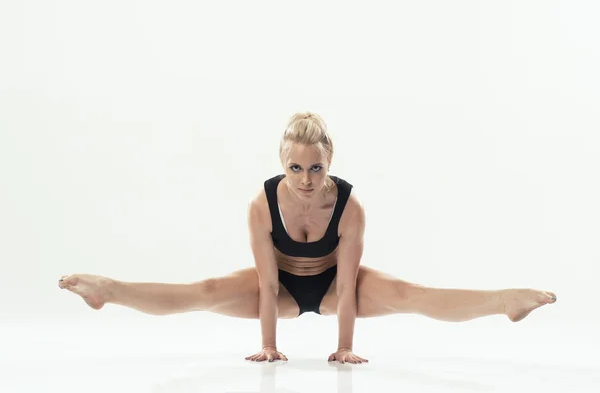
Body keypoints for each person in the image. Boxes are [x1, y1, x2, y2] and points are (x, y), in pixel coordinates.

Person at [58, 112, 557, 365]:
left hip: (338, 288)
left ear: (329, 162)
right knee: (205, 291)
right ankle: (110, 291)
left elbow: (347, 274)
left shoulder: (349, 206)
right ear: (282, 164)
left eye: (315, 168)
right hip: (281, 292)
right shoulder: (262, 203)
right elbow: (267, 281)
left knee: (410, 295)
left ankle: (504, 301)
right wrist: (269, 346)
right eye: (294, 167)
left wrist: (344, 347)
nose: (304, 178)